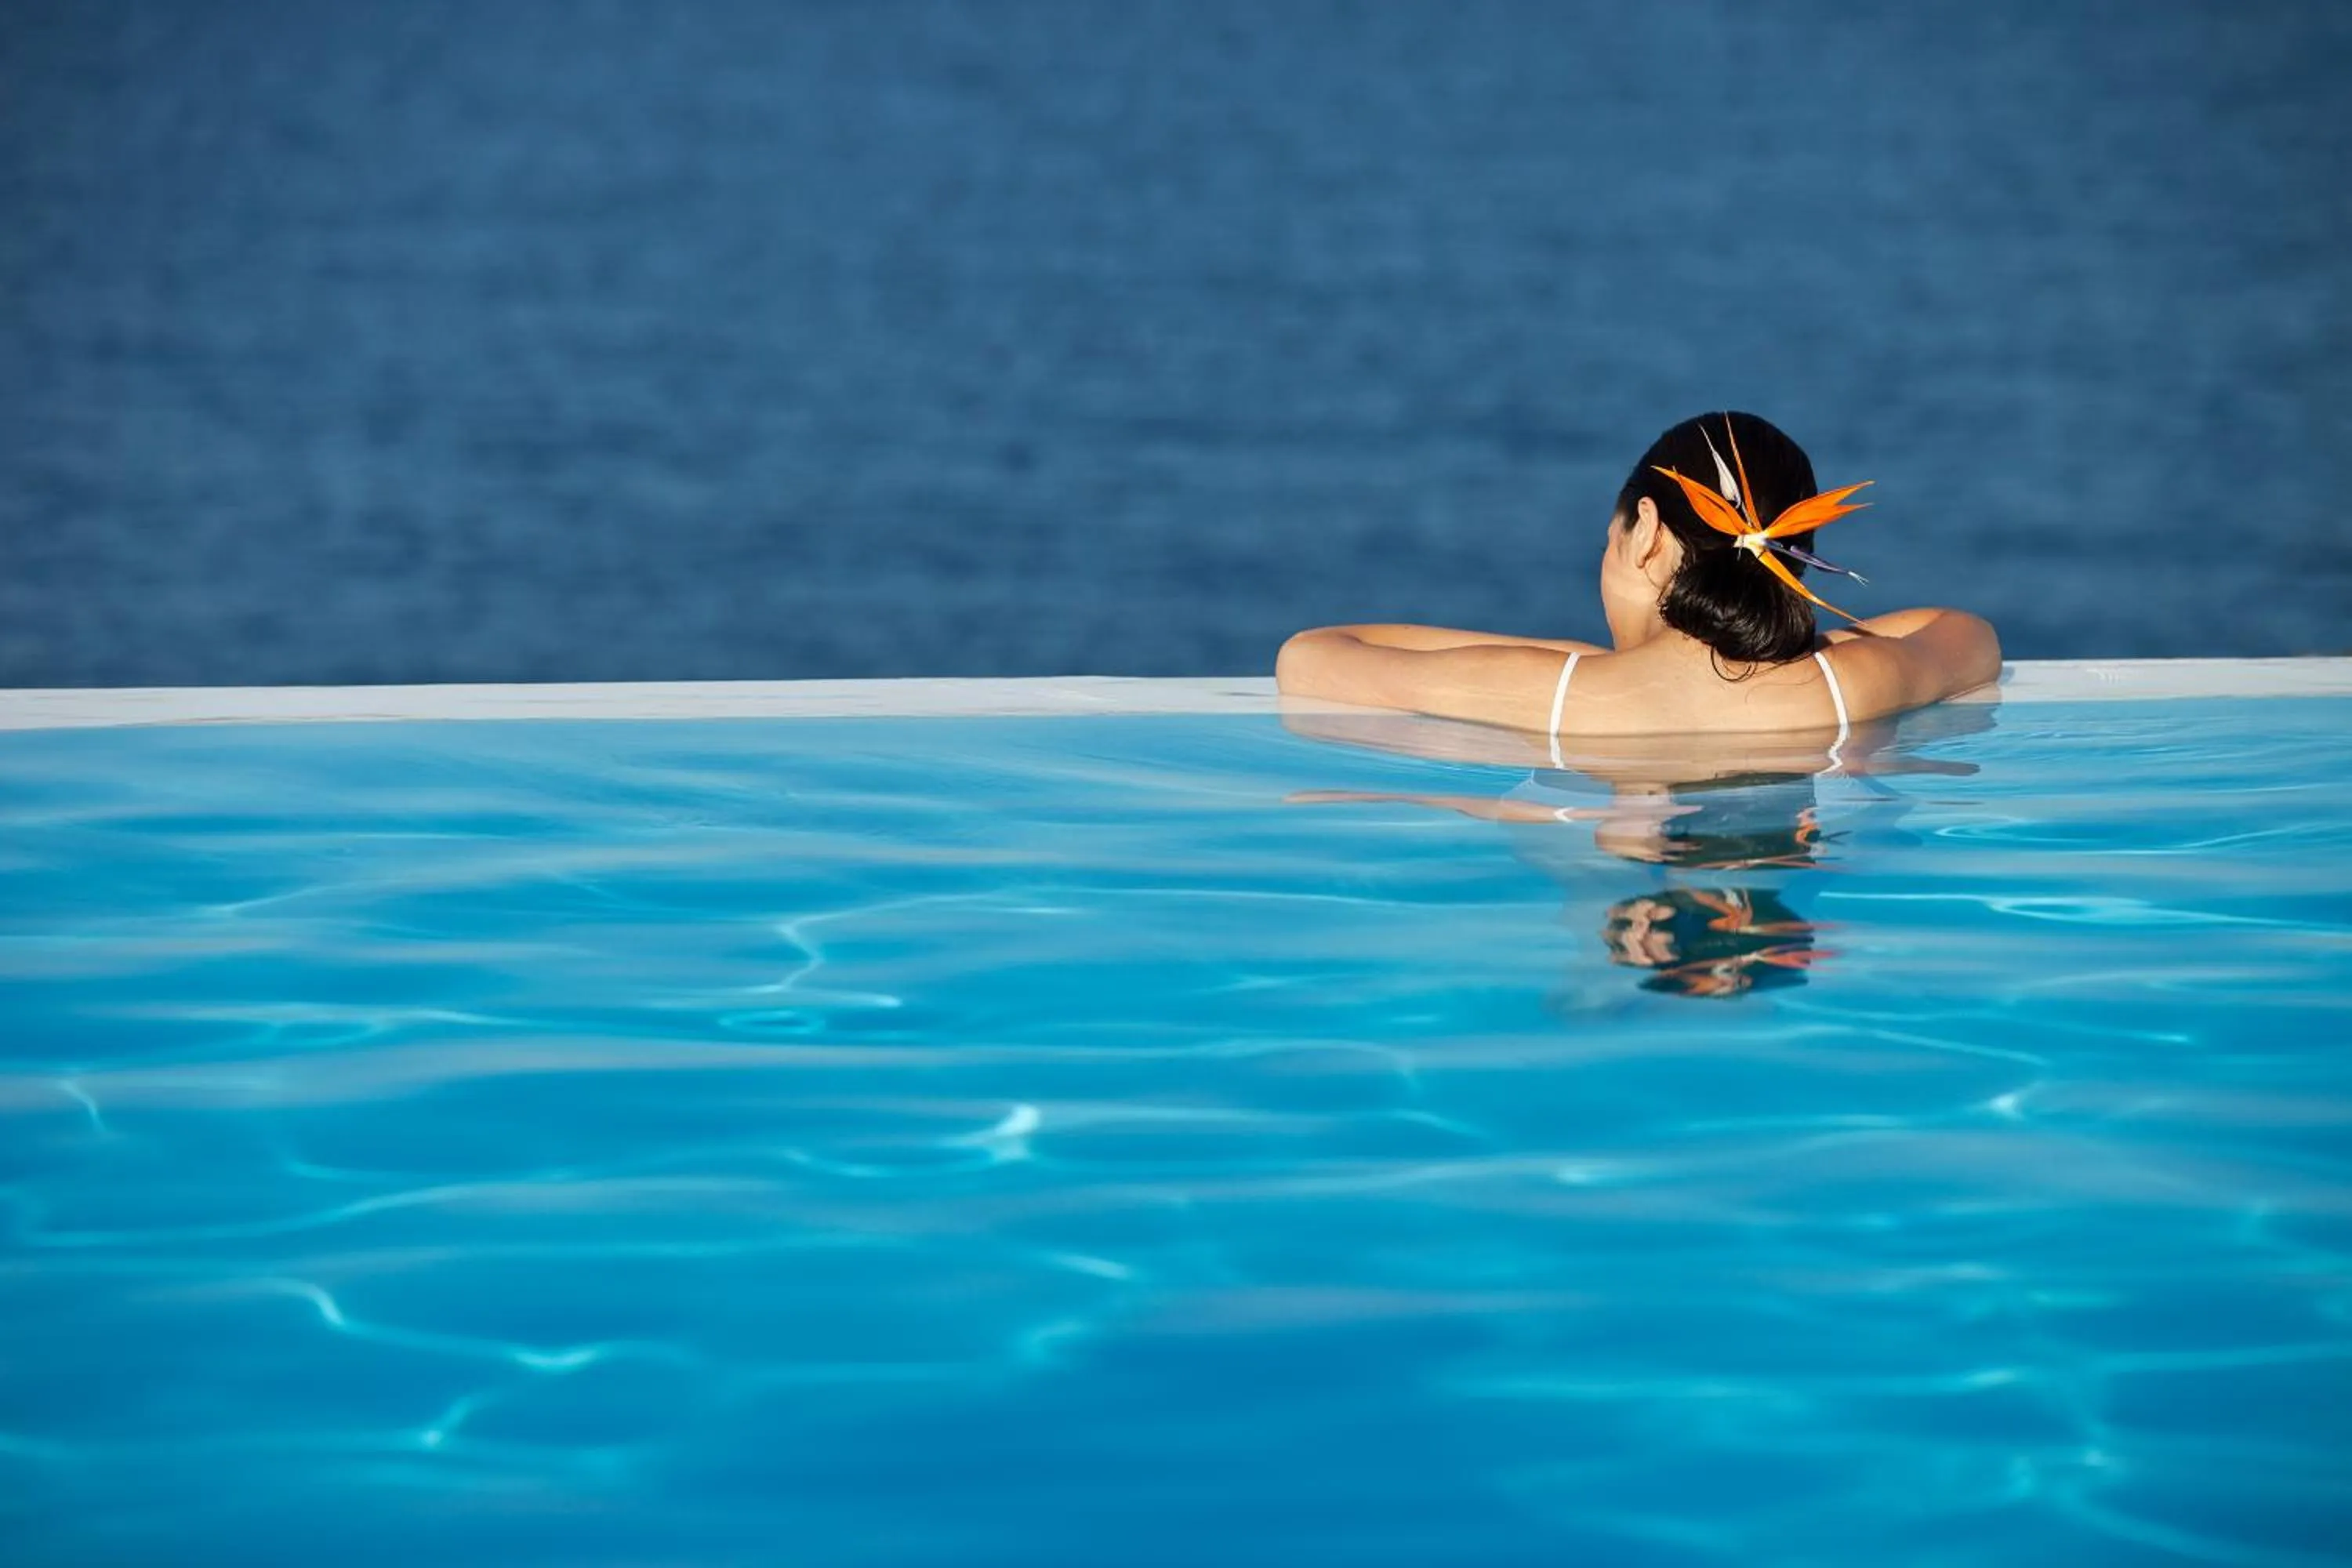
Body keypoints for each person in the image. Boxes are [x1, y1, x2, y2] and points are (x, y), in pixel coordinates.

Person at [1274, 411, 2001, 743]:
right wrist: (1818, 642)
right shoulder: (1858, 681)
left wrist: (1567, 663)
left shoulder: (1566, 692)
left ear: (1646, 531)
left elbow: (1309, 656)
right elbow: (1967, 636)